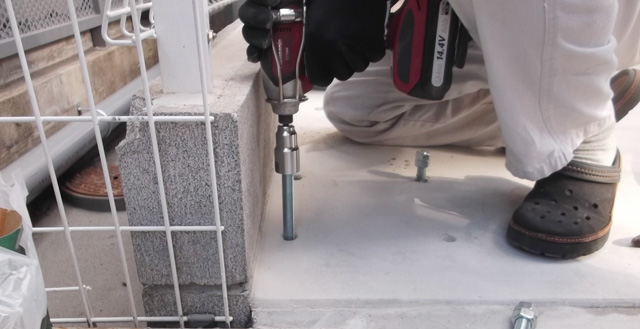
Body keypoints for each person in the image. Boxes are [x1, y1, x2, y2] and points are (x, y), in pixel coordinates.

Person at [239, 0, 640, 259]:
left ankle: (585, 133)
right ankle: (543, 111)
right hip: (501, 20)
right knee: (358, 110)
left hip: (582, 20)